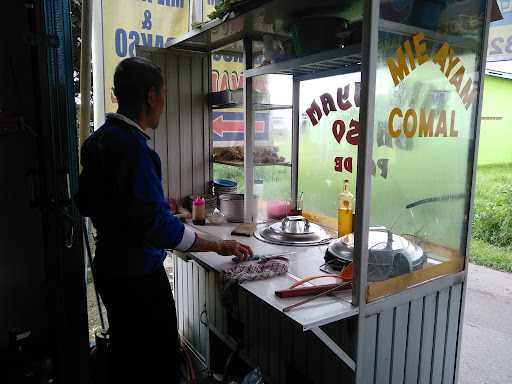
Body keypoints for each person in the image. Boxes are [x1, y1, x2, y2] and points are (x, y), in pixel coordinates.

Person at [76, 57, 253, 383]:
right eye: (164, 94)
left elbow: (84, 203)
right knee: (157, 363)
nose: (164, 102)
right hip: (138, 278)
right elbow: (157, 228)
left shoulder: (97, 141)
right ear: (152, 96)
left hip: (109, 269)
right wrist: (218, 244)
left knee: (128, 355)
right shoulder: (136, 151)